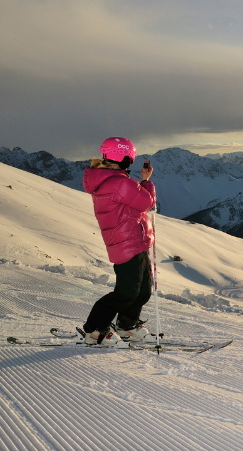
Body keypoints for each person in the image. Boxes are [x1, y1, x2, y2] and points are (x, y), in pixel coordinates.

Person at [82, 137, 156, 345]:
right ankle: (94, 330)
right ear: (124, 158)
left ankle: (127, 325)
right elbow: (146, 202)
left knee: (142, 291)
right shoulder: (120, 183)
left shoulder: (112, 180)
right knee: (125, 294)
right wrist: (147, 181)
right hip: (127, 245)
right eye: (130, 159)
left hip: (134, 242)